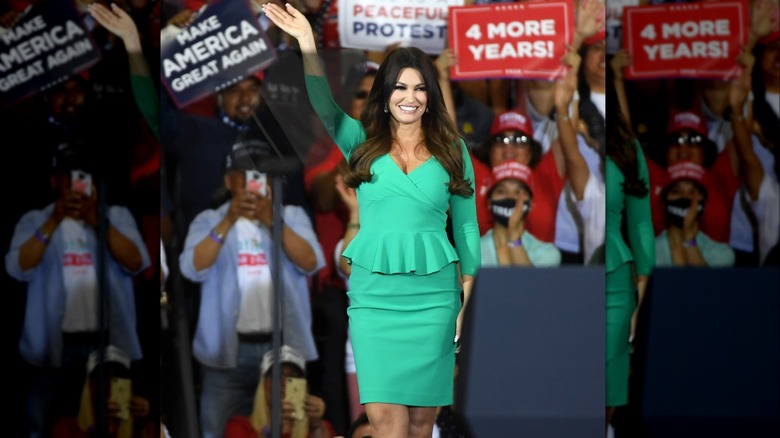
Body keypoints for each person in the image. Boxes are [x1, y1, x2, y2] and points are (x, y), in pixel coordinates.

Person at [263, 4, 481, 438]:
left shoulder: (454, 150)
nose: (410, 97)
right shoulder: (359, 142)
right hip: (374, 300)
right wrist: (308, 45)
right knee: (385, 422)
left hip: (435, 300)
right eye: (399, 87)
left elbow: (466, 228)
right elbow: (324, 106)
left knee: (421, 424)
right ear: (384, 94)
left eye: (420, 89)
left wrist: (464, 300)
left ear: (430, 96)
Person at [178, 140, 325, 438]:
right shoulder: (208, 220)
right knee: (218, 430)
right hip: (228, 353)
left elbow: (311, 262)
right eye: (247, 174)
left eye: (264, 174)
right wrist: (229, 219)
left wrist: (272, 220)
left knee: (289, 428)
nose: (256, 180)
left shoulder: (292, 216)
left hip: (284, 351)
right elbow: (191, 268)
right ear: (229, 180)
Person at [5, 141, 151, 438]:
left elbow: (136, 262)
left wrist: (99, 221)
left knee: (110, 426)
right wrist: (55, 219)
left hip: (108, 347)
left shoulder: (117, 216)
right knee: (44, 426)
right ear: (54, 181)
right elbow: (17, 268)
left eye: (84, 176)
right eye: (69, 175)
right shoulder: (35, 220)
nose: (77, 183)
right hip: (52, 352)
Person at [604, 78, 655, 433]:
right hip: (568, 277)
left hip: (616, 282)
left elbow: (640, 226)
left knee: (604, 389)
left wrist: (641, 293)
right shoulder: (564, 137)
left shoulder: (625, 146)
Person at [224, 345, 337, 438]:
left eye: (293, 377)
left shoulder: (320, 427)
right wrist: (272, 431)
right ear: (263, 384)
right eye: (277, 376)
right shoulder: (239, 427)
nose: (284, 383)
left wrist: (316, 427)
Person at [50, 345, 158, 438]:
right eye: (102, 378)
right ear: (88, 385)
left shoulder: (143, 428)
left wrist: (141, 426)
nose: (109, 386)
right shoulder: (66, 428)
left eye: (117, 379)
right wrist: (98, 430)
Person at [479, 161, 562, 267]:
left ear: (531, 204)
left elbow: (529, 283)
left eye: (518, 192)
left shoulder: (547, 253)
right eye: (501, 191)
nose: (510, 197)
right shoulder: (469, 254)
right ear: (489, 202)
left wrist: (514, 237)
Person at [654, 161, 735, 267]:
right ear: (664, 203)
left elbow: (705, 283)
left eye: (693, 193)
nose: (685, 197)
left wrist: (689, 241)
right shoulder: (646, 252)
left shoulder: (722, 253)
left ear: (704, 204)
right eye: (676, 192)